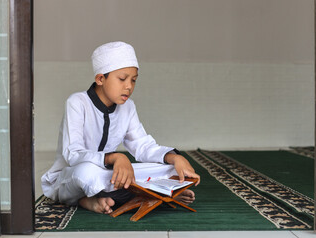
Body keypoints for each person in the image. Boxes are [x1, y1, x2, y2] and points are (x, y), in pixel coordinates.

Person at [41, 41, 200, 214]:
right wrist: (114, 158)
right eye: (122, 79)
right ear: (100, 79)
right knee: (87, 173)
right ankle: (154, 196)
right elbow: (73, 154)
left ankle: (151, 194)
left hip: (110, 175)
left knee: (168, 169)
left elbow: (142, 145)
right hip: (73, 174)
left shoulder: (128, 107)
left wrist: (173, 158)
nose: (129, 86)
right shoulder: (77, 103)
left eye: (133, 80)